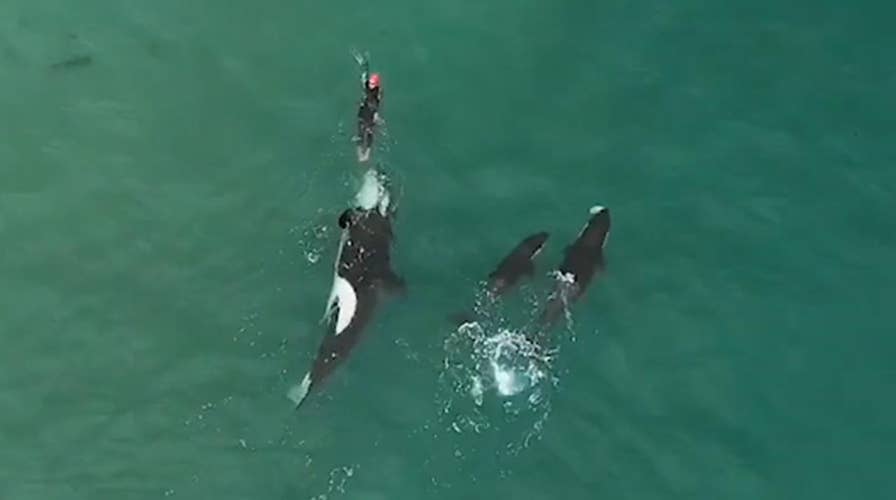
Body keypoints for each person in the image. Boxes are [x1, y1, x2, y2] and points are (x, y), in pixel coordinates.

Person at [354, 54, 383, 163]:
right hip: (363, 109)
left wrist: (376, 114)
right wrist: (364, 64)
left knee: (369, 132)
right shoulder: (366, 85)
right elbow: (364, 76)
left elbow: (377, 104)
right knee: (360, 131)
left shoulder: (378, 93)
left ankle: (367, 154)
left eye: (372, 83)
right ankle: (360, 154)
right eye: (370, 83)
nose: (370, 84)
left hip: (371, 111)